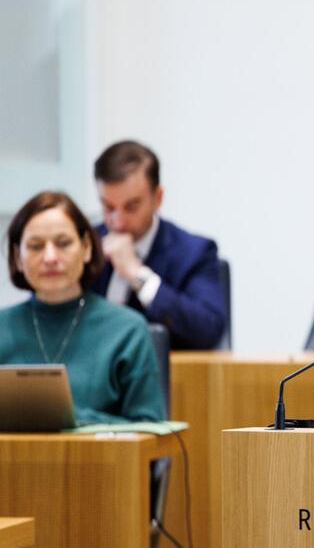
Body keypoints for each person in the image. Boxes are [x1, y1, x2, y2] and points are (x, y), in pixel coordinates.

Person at [0, 191, 165, 424]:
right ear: (18, 257)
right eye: (36, 246)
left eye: (63, 243)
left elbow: (150, 428)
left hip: (105, 461)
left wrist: (72, 418)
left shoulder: (128, 330)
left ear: (86, 247)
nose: (50, 257)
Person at [92, 139, 226, 349]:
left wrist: (137, 274)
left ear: (158, 198)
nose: (118, 221)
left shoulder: (193, 252)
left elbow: (208, 330)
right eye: (108, 207)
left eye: (132, 207)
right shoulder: (83, 245)